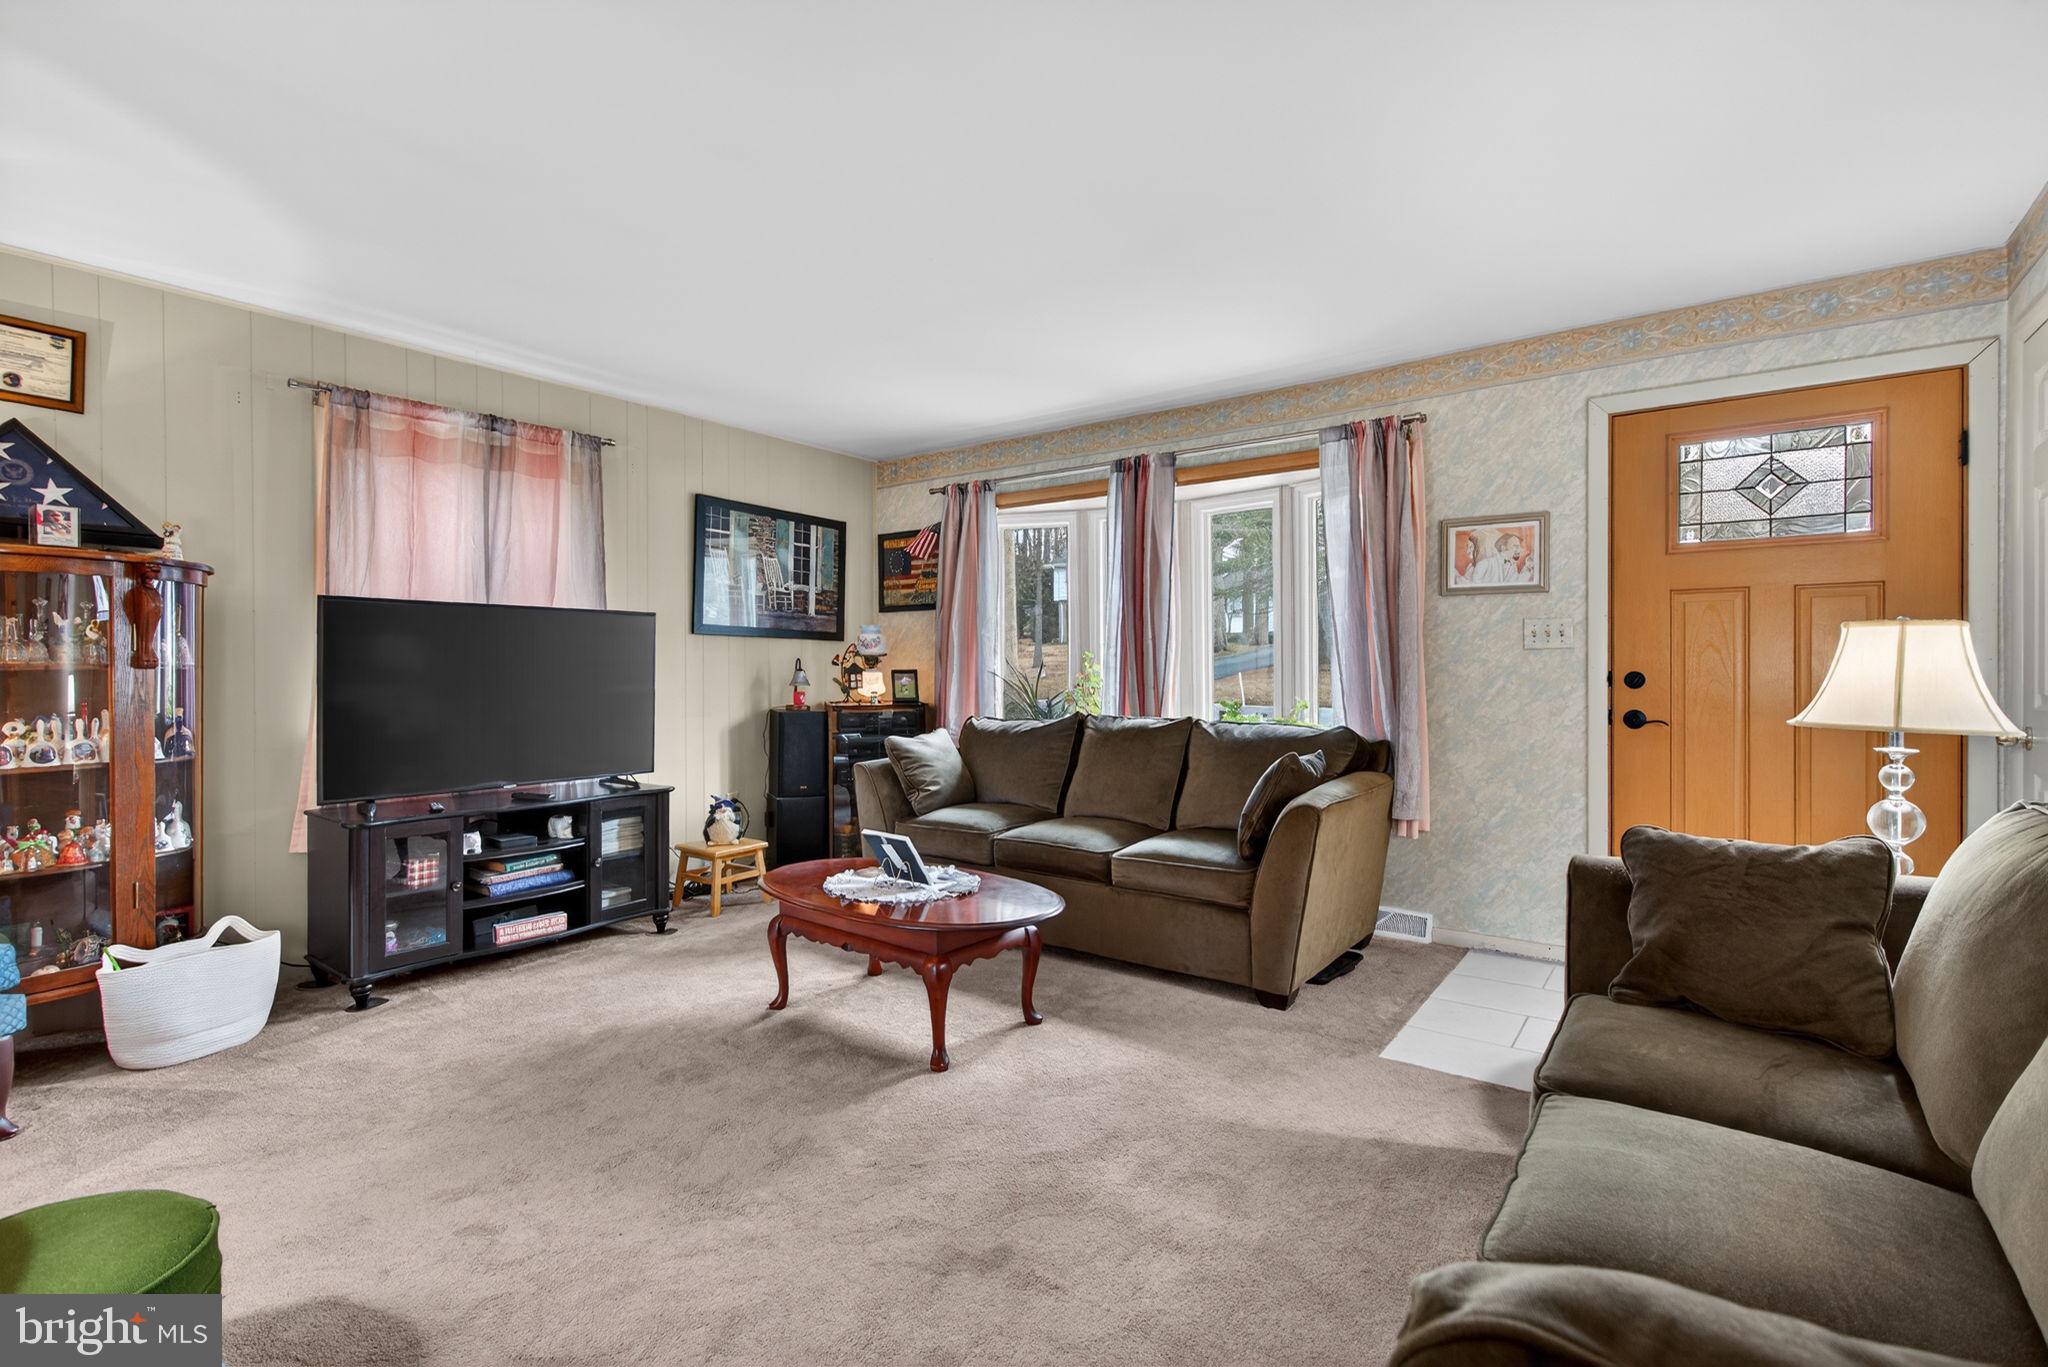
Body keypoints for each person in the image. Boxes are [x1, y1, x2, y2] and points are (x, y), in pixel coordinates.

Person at [1462, 529, 1535, 586]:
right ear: (1503, 548)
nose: (1518, 550)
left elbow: (1517, 582)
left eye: (1519, 547)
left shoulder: (1512, 566)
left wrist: (1528, 568)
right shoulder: (1484, 564)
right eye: (1515, 547)